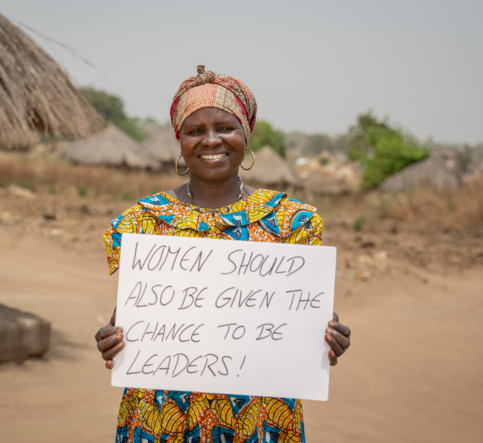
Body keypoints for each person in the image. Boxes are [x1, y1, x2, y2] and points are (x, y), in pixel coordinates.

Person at [95, 66, 351, 443]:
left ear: (245, 136)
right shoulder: (142, 222)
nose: (210, 140)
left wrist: (324, 337)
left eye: (225, 128)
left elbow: (301, 314)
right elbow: (133, 319)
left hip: (259, 416)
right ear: (179, 141)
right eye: (195, 131)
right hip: (162, 416)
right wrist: (111, 338)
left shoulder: (291, 221)